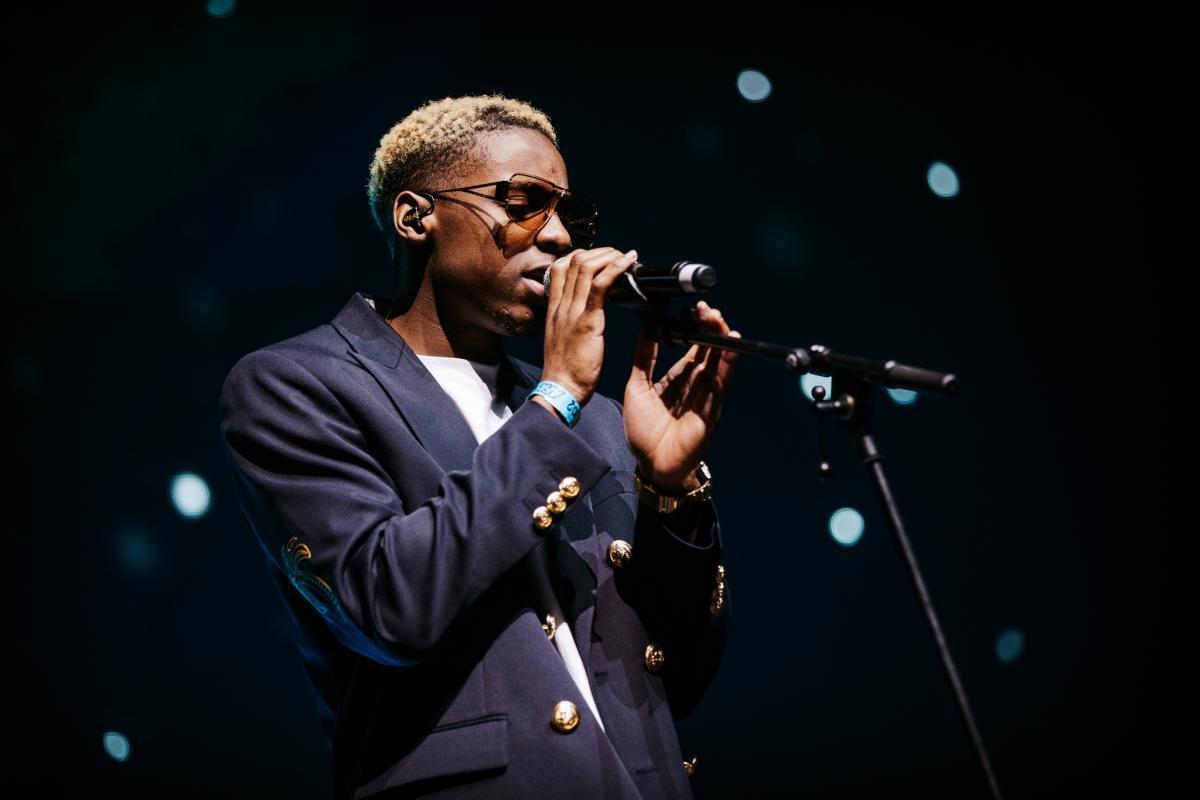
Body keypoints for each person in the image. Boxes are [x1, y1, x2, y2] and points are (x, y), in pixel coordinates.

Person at [218, 93, 739, 799]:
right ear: (415, 217)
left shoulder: (596, 419)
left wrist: (671, 492)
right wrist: (557, 397)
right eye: (524, 203)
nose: (560, 237)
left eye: (570, 215)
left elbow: (683, 675)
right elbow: (391, 610)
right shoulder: (297, 385)